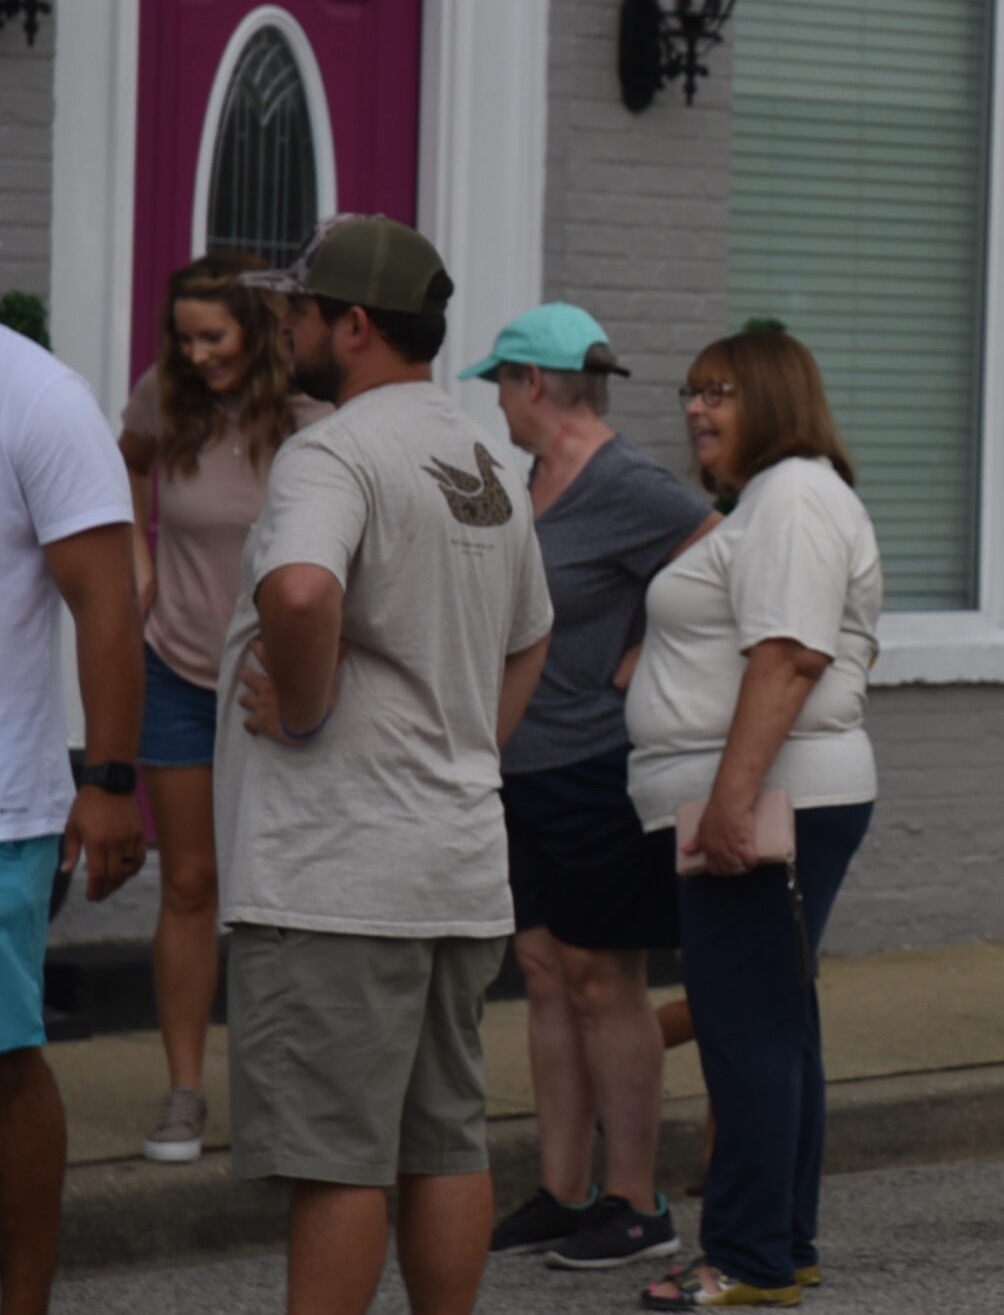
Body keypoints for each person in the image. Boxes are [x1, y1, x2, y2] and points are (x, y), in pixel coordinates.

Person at [216, 216, 553, 1315]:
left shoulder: (334, 450)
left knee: (338, 1161)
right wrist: (467, 750)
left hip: (339, 872)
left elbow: (300, 590)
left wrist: (306, 709)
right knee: (444, 1141)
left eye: (300, 311)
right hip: (456, 861)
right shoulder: (483, 458)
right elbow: (534, 633)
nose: (286, 327)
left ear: (354, 325)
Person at [624, 329, 882, 1309]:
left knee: (747, 1035)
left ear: (774, 398)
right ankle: (780, 1244)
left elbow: (788, 656)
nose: (696, 408)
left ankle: (746, 1257)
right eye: (691, 391)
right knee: (774, 1027)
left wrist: (731, 801)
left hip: (770, 800)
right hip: (766, 794)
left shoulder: (794, 495)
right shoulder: (772, 499)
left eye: (720, 391)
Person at [465, 305, 716, 1266]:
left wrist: (649, 652)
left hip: (596, 769)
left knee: (603, 978)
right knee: (542, 969)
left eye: (500, 381)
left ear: (532, 381)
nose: (496, 401)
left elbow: (728, 562)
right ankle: (565, 1191)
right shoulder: (527, 478)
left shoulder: (629, 482)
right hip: (519, 765)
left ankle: (637, 1202)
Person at [117, 251, 325, 1164]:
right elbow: (124, 465)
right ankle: (185, 1091)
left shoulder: (314, 416)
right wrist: (138, 557)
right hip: (175, 667)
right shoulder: (165, 396)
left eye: (215, 337)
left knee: (283, 888)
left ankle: (286, 1088)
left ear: (259, 330)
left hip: (271, 679)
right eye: (186, 338)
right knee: (191, 883)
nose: (197, 355)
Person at [0, 324, 146, 1315]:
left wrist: (109, 778)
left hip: (3, 808)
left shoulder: (39, 397)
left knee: (3, 1066)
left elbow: (106, 602)